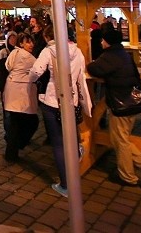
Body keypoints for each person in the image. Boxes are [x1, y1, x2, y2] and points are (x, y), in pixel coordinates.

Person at [87, 30, 141, 187]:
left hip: (121, 103)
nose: (100, 42)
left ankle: (134, 174)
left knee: (121, 140)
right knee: (120, 139)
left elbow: (94, 69)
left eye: (103, 40)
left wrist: (90, 63)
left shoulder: (110, 56)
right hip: (130, 102)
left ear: (107, 41)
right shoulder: (123, 54)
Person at [30, 26, 93, 198]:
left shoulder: (49, 51)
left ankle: (66, 185)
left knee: (58, 142)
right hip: (71, 100)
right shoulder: (78, 52)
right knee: (70, 134)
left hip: (52, 99)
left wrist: (33, 81)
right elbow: (81, 74)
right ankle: (77, 151)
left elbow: (35, 71)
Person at [2, 33, 39, 162]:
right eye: (28, 42)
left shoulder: (13, 53)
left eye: (31, 42)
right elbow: (38, 71)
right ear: (21, 43)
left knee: (14, 123)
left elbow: (7, 66)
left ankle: (11, 152)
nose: (31, 45)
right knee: (32, 122)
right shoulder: (29, 58)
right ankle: (17, 145)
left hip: (11, 88)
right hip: (22, 92)